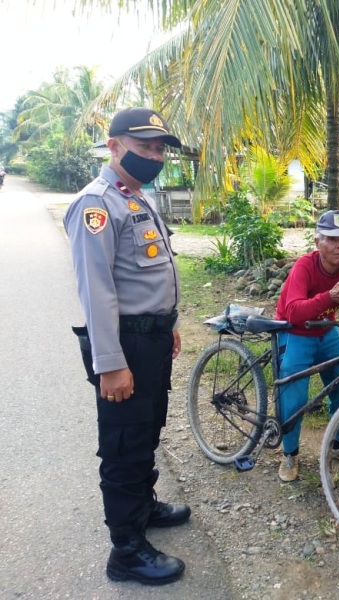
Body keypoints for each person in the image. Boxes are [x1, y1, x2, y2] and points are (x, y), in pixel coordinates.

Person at [64, 107, 189, 585]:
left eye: (159, 148)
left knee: (148, 428)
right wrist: (110, 364)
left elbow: (150, 274)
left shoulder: (137, 197)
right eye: (145, 147)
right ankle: (127, 550)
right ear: (113, 146)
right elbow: (96, 292)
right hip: (125, 346)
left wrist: (170, 323)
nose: (155, 156)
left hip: (153, 338)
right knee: (123, 442)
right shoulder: (97, 205)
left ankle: (143, 506)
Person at [273, 210, 339, 482]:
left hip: (325, 329)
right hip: (294, 331)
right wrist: (329, 297)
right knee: (294, 392)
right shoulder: (304, 267)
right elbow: (293, 311)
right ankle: (290, 453)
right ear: (318, 242)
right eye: (332, 239)